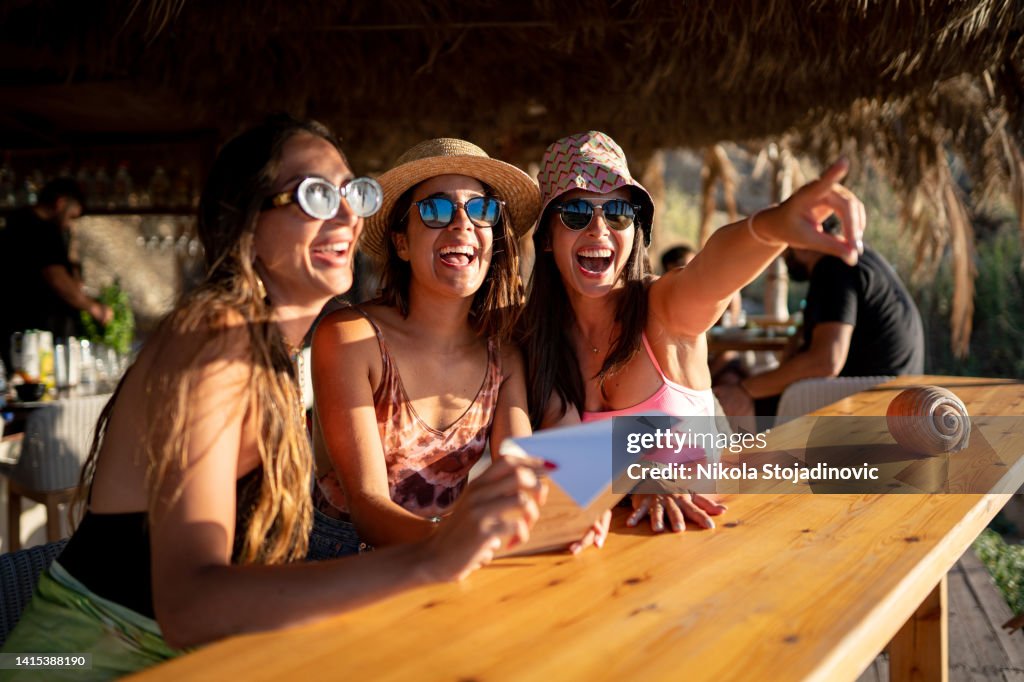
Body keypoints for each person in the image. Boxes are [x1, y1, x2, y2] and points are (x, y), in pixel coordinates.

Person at [1, 116, 546, 677]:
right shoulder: (216, 345)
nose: (342, 215)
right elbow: (189, 606)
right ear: (249, 222)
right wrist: (431, 556)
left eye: (349, 194)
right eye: (313, 195)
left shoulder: (268, 347)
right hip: (79, 659)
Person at [521, 131, 866, 538]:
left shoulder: (662, 308)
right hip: (613, 556)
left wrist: (773, 228)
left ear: (635, 232)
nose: (599, 228)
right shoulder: (540, 337)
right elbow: (562, 444)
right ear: (546, 238)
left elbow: (710, 272)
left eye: (617, 212)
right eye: (576, 212)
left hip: (725, 534)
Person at [310, 138, 540, 556]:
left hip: (449, 558)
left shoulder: (502, 353)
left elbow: (520, 472)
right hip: (340, 562)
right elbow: (367, 506)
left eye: (480, 209)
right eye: (435, 209)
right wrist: (458, 541)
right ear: (401, 242)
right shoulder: (349, 337)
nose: (462, 224)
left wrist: (566, 519)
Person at [714, 216, 924, 421]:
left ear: (805, 238)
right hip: (896, 394)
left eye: (786, 244)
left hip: (867, 400)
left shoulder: (834, 266)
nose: (783, 254)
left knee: (730, 406)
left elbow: (825, 362)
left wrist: (744, 390)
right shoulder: (861, 258)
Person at [0, 178, 113, 371]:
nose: (69, 225)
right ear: (60, 203)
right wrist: (93, 308)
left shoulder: (18, 223)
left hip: (20, 334)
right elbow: (56, 278)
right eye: (70, 217)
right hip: (33, 337)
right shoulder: (40, 229)